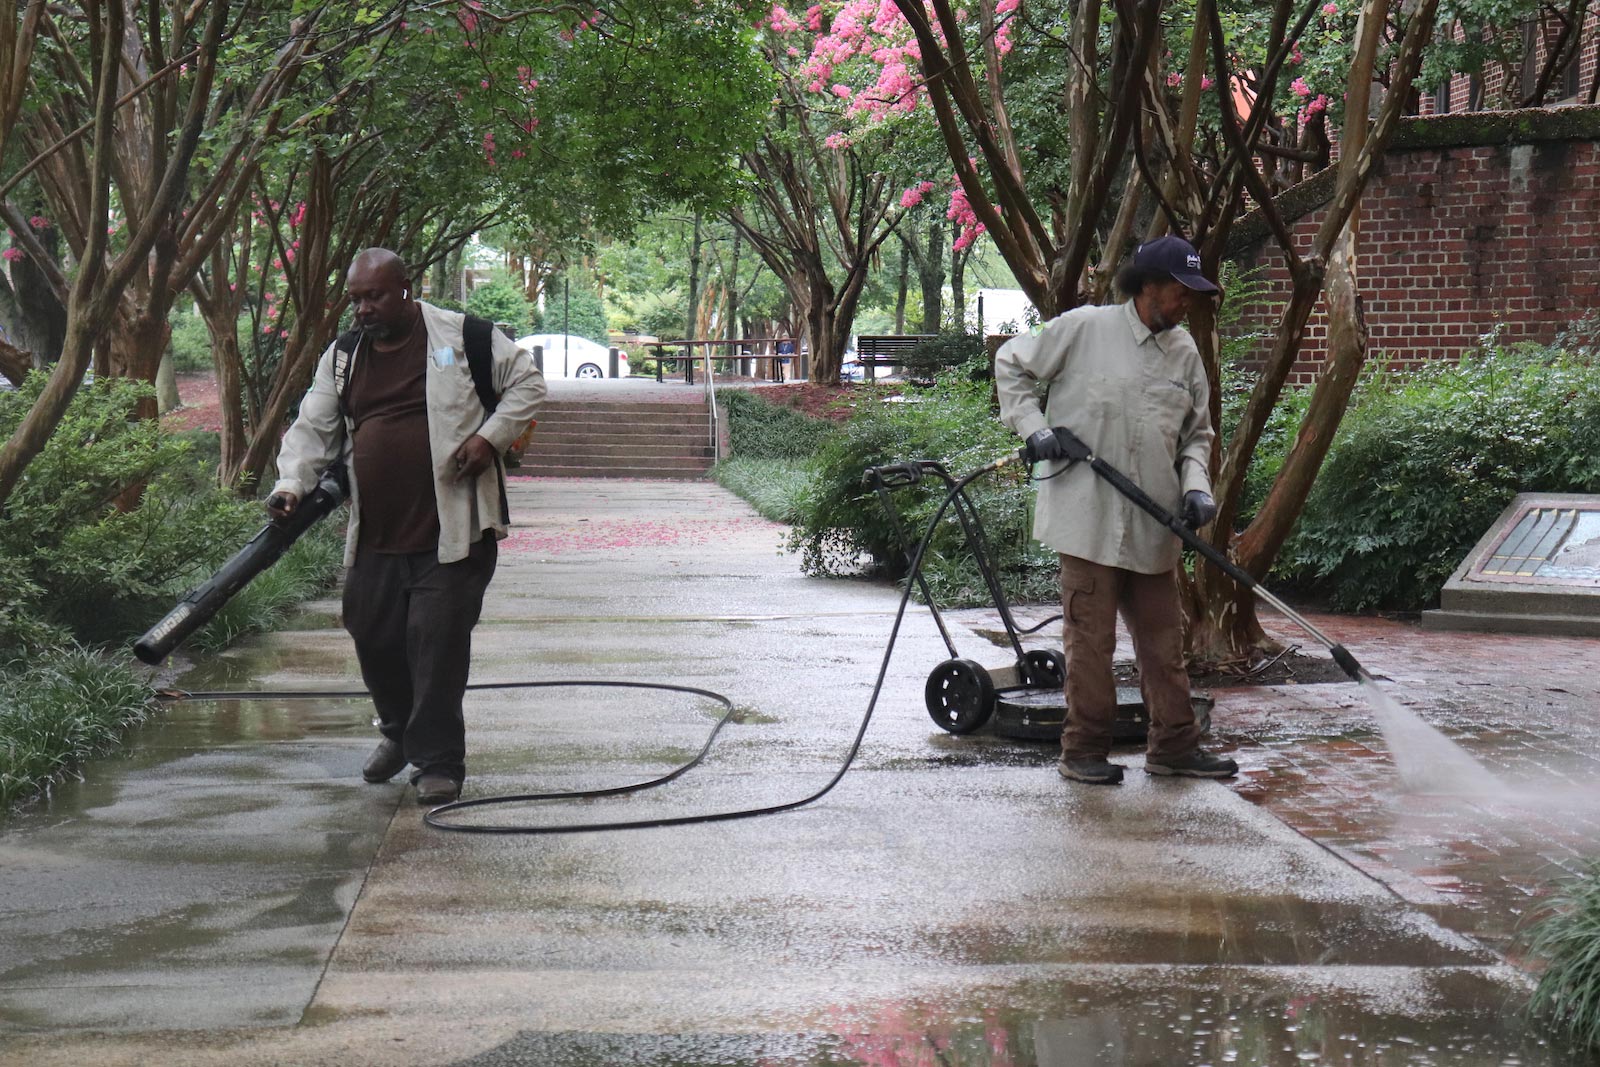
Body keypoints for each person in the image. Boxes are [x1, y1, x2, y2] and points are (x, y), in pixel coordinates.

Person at [267, 248, 546, 804]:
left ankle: (438, 761)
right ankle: (398, 731)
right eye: (356, 299)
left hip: (456, 527)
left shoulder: (464, 336)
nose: (364, 309)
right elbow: (312, 428)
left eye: (374, 296)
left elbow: (528, 385)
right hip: (377, 531)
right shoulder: (344, 356)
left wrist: (488, 438)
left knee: (435, 641)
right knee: (371, 631)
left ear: (404, 289)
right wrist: (290, 485)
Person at [994, 234, 1238, 785]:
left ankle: (1174, 748)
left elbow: (1196, 435)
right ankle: (1083, 751)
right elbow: (1011, 362)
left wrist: (1196, 488)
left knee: (1163, 645)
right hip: (1089, 519)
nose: (1187, 304)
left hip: (1155, 525)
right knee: (1090, 645)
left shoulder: (1184, 352)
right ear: (1148, 287)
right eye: (1181, 291)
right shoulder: (1084, 329)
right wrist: (1035, 429)